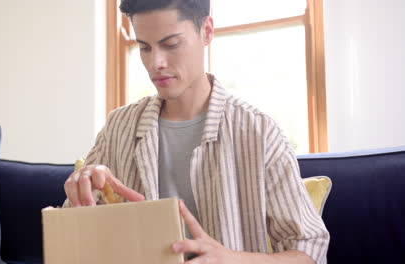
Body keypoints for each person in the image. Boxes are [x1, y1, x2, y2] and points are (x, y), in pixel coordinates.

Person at [63, 0, 330, 263]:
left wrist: (233, 259)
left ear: (207, 31)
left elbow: (309, 250)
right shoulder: (118, 127)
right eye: (144, 47)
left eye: (171, 45)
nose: (156, 62)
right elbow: (72, 238)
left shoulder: (258, 131)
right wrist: (84, 189)